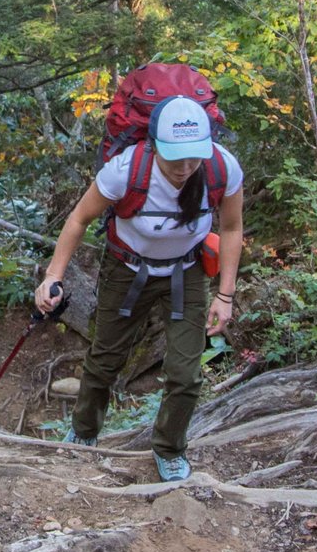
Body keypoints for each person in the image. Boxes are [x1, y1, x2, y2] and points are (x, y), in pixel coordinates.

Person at [34, 95, 243, 482]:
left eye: (193, 157)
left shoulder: (221, 168)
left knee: (185, 372)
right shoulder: (126, 170)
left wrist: (225, 294)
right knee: (104, 359)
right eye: (174, 158)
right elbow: (80, 218)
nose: (184, 168)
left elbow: (231, 228)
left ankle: (169, 449)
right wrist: (53, 275)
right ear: (155, 146)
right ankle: (83, 433)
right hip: (127, 271)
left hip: (187, 272)